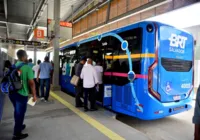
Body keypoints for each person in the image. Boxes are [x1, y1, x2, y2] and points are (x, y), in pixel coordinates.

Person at [9, 50, 37, 140]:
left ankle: (19, 126)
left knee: (17, 111)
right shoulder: (27, 68)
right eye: (26, 56)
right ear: (23, 57)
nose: (27, 57)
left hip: (12, 93)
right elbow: (32, 83)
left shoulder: (13, 66)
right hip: (21, 94)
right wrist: (34, 95)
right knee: (20, 113)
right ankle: (16, 134)